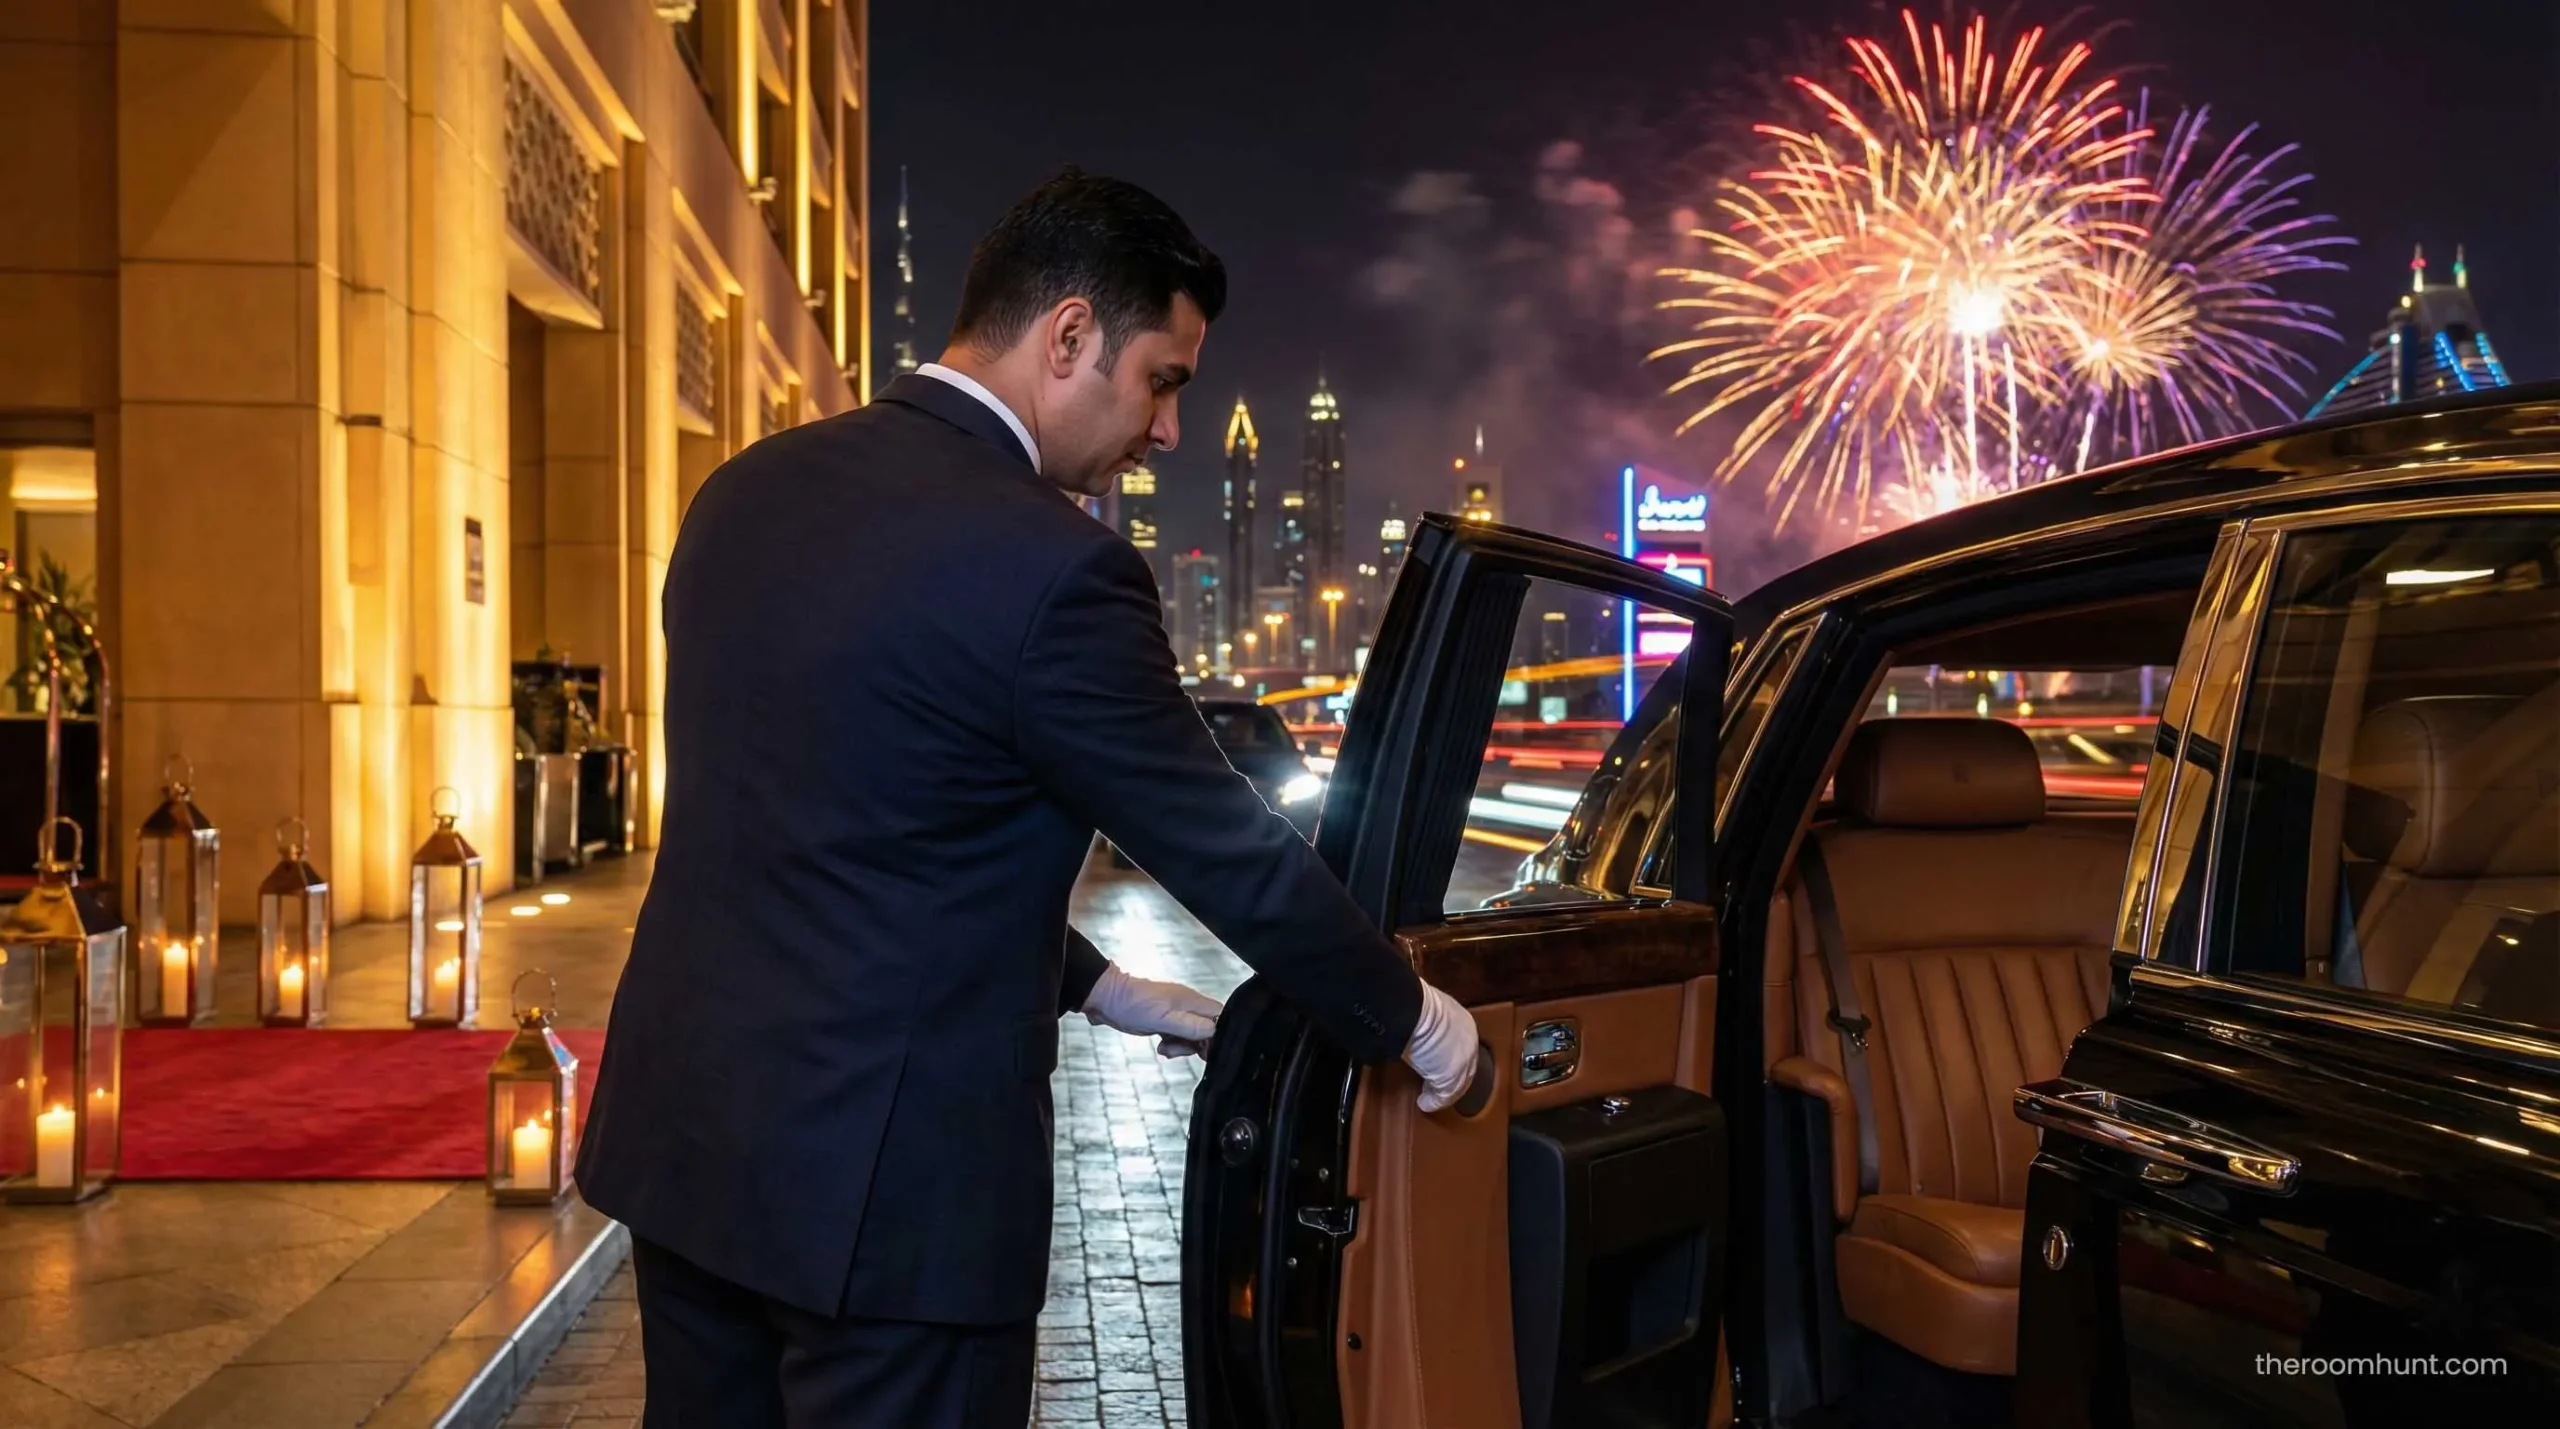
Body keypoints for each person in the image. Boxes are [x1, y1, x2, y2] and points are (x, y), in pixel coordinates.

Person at [575, 169, 1481, 1428]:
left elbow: (839, 826)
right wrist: (1415, 1018)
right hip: (891, 1212)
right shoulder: (1057, 569)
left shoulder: (743, 493)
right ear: (1068, 337)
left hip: (691, 1152)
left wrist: (1095, 983)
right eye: (1164, 379)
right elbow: (1226, 848)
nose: (1166, 430)